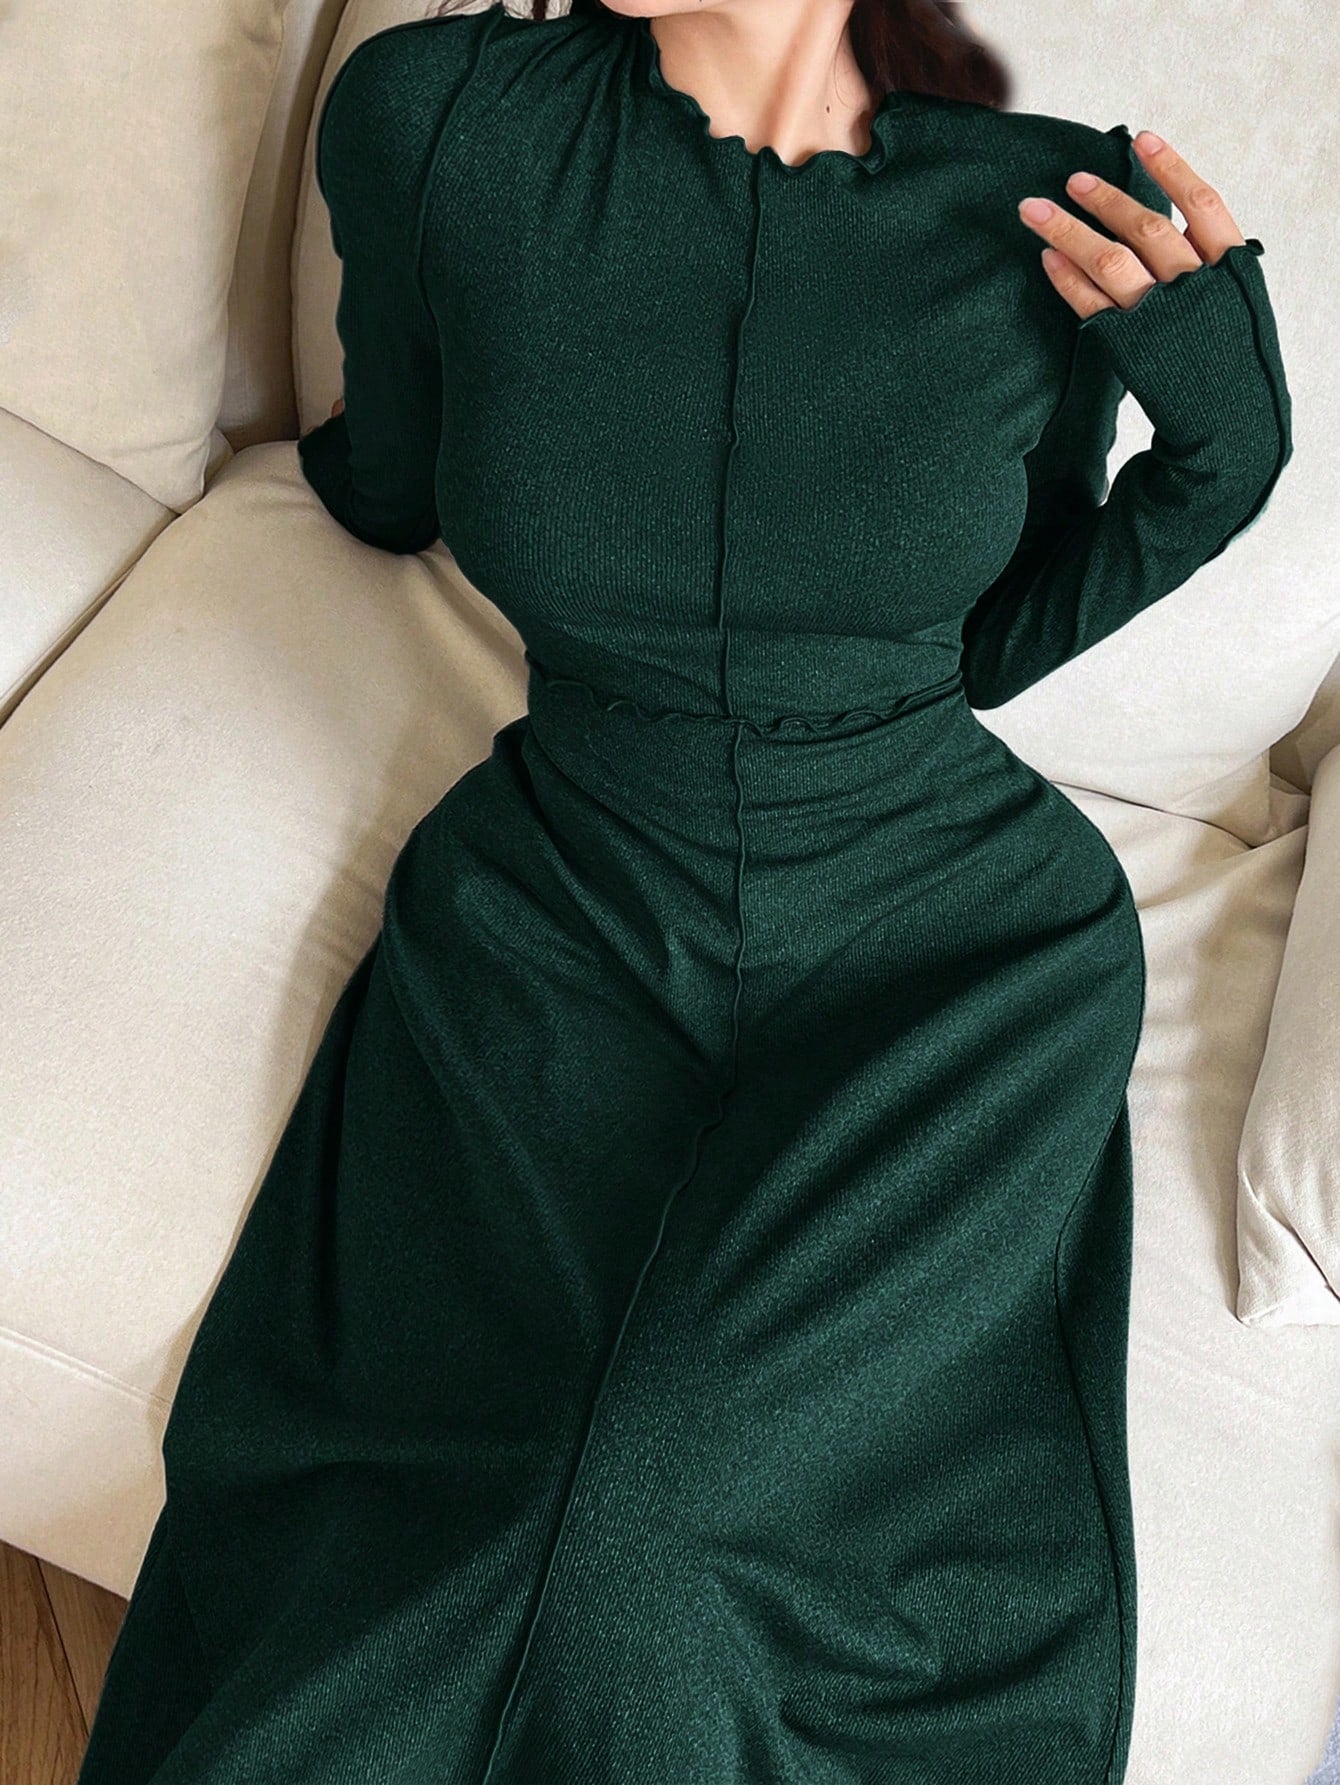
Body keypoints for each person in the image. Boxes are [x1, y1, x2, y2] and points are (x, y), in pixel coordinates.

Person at [76, 1, 1292, 1780]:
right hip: (566, 915)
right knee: (493, 1528)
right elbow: (392, 479)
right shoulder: (441, 118)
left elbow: (970, 651)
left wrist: (1228, 454)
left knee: (668, 1537)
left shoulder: (1043, 207)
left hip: (952, 955)